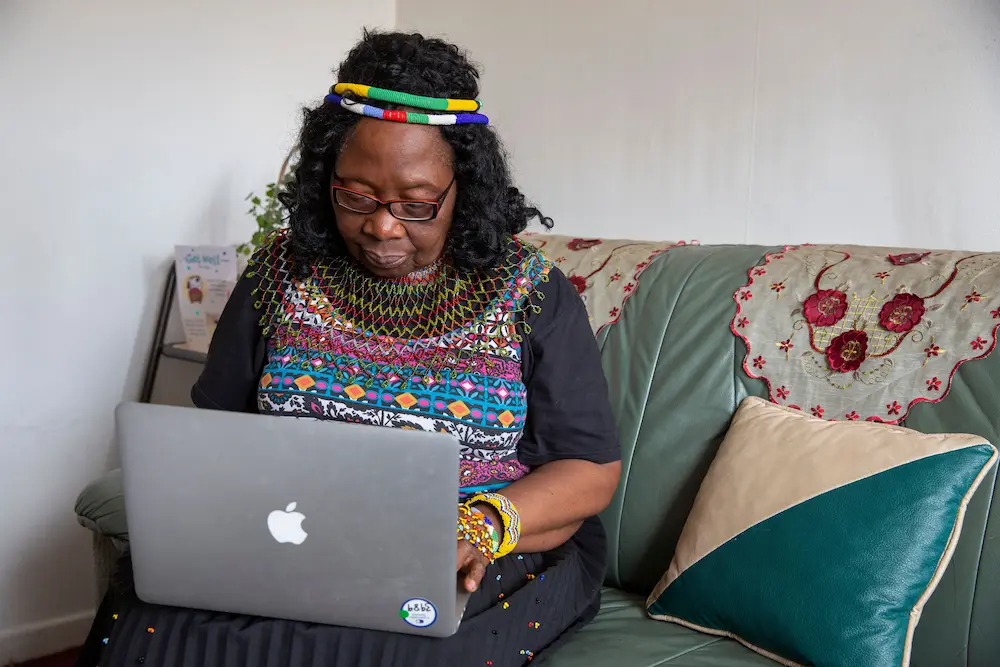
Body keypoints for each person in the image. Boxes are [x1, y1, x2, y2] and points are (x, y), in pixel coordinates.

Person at [77, 30, 621, 667]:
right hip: (297, 530)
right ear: (324, 176)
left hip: (476, 542)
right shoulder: (280, 273)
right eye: (356, 195)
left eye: (417, 204)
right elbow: (219, 435)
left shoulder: (530, 292)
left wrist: (478, 526)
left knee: (381, 646)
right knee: (147, 622)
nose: (383, 224)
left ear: (463, 189)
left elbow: (590, 471)